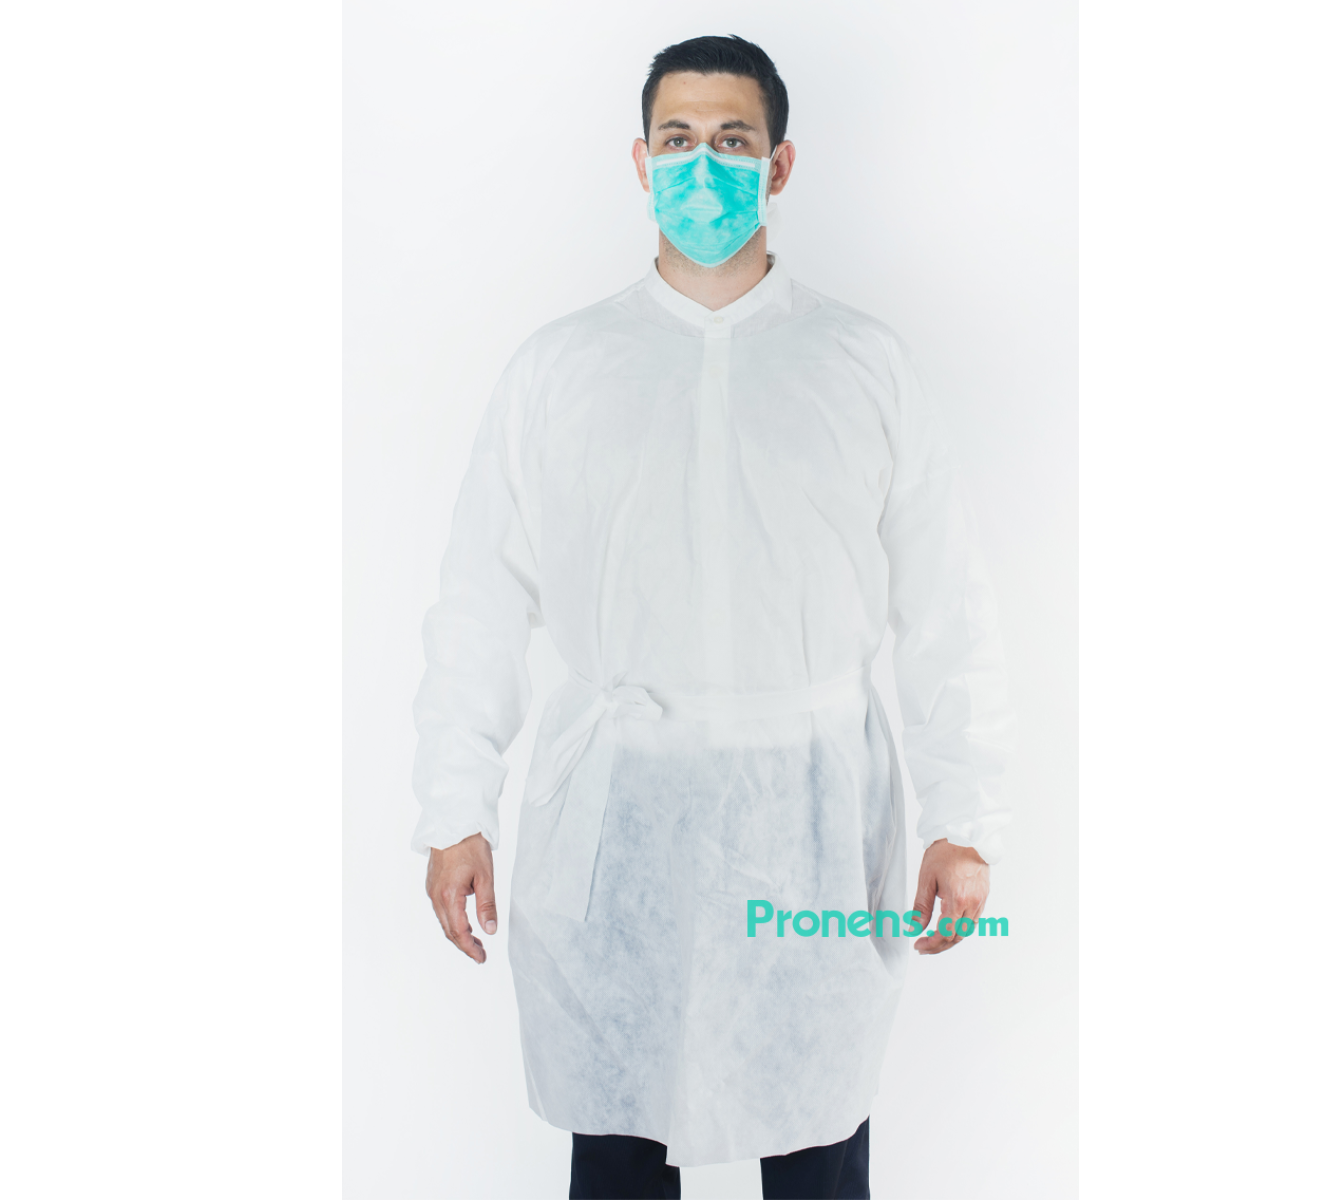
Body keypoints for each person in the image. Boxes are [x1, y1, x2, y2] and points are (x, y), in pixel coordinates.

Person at [409, 33, 1013, 1200]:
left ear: (779, 164)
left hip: (814, 827)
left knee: (817, 1141)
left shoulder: (861, 365)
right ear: (639, 161)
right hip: (615, 824)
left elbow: (947, 604)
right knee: (619, 1141)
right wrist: (454, 807)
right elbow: (480, 596)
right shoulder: (561, 370)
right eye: (678, 139)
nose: (703, 165)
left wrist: (965, 821)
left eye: (732, 141)